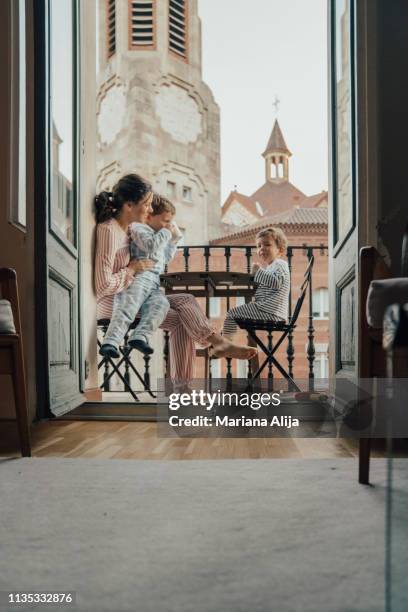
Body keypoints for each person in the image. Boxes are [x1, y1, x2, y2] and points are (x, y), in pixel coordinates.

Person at [94, 173, 257, 386]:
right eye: (147, 204)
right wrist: (132, 269)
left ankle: (193, 373)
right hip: (115, 304)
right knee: (182, 319)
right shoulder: (109, 231)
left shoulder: (128, 230)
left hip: (137, 294)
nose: (150, 210)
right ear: (128, 205)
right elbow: (102, 286)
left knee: (187, 301)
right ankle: (197, 369)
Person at [99, 194, 182, 358]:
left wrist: (173, 241)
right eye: (165, 221)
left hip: (154, 283)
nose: (168, 225)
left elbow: (164, 257)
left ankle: (140, 336)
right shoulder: (139, 228)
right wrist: (166, 233)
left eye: (169, 222)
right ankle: (110, 342)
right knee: (127, 307)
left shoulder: (158, 234)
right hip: (139, 278)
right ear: (150, 217)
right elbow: (150, 246)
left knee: (161, 305)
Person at [211, 227, 289, 357]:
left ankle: (224, 345)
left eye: (267, 244)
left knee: (232, 314)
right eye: (259, 246)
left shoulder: (280, 264)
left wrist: (258, 272)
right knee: (232, 316)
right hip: (269, 310)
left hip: (271, 312)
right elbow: (268, 284)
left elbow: (276, 283)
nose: (262, 248)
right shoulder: (271, 267)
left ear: (280, 250)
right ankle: (221, 341)